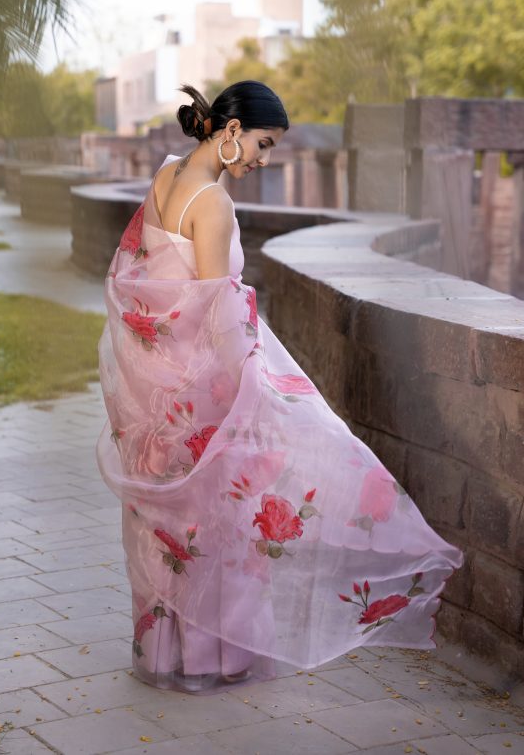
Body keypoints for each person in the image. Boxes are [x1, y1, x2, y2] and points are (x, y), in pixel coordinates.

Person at [96, 80, 464, 695]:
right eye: (263, 144)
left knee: (172, 527)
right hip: (207, 390)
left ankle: (167, 655)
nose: (264, 160)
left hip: (163, 392)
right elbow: (216, 311)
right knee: (222, 524)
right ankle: (216, 660)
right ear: (232, 131)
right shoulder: (213, 204)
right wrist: (261, 387)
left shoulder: (166, 175)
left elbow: (139, 280)